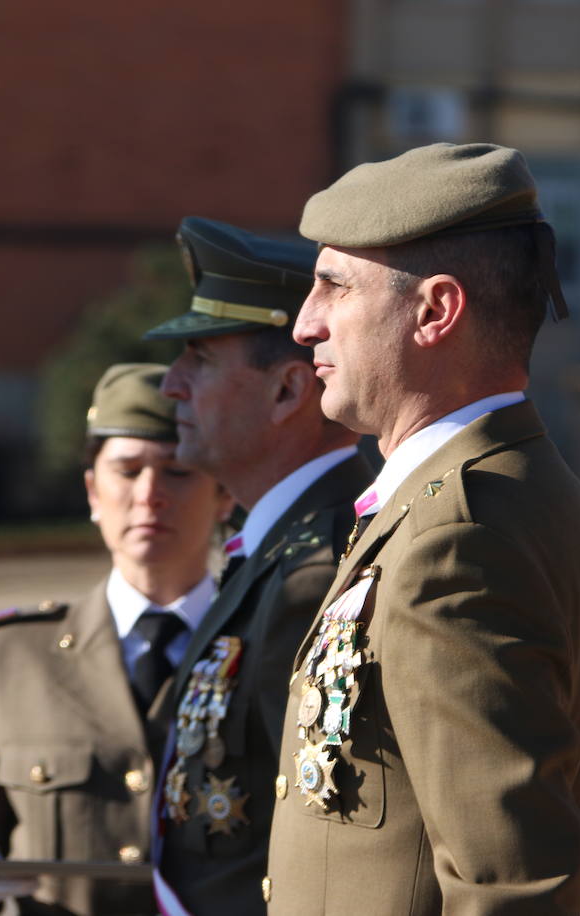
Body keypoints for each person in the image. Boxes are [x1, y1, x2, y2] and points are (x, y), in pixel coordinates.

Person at [264, 143, 580, 915]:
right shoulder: (496, 491)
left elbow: (514, 888)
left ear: (435, 311)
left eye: (333, 288)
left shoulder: (459, 540)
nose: (305, 325)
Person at [0, 363, 234, 916]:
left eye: (177, 471)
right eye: (127, 471)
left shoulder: (272, 642)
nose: (150, 495)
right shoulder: (12, 654)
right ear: (92, 492)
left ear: (224, 495)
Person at [140, 217, 372, 916]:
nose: (171, 386)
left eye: (201, 360)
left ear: (287, 393)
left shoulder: (317, 574)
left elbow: (337, 845)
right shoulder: (272, 549)